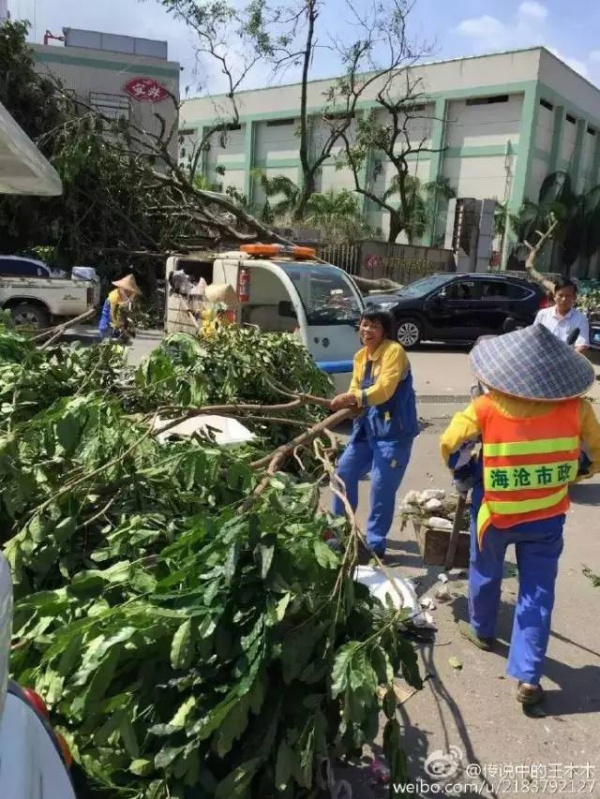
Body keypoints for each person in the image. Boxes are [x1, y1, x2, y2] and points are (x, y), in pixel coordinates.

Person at [440, 324, 600, 707]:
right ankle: (528, 677)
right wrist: (575, 471)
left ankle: (482, 630)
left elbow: (451, 445)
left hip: (495, 513)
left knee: (486, 572)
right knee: (537, 594)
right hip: (547, 515)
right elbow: (594, 455)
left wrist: (466, 473)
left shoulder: (486, 406)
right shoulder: (578, 409)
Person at [330, 310, 419, 560]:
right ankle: (339, 531)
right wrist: (348, 404)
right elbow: (355, 389)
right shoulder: (360, 357)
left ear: (385, 332)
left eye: (374, 327)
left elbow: (385, 390)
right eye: (365, 325)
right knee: (342, 474)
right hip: (367, 428)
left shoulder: (394, 352)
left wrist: (353, 398)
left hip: (393, 432)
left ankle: (375, 544)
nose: (367, 330)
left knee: (381, 487)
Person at [534, 276, 589, 353]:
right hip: (542, 358)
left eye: (568, 296)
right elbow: (534, 337)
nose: (564, 299)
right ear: (554, 296)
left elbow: (582, 345)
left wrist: (565, 358)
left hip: (565, 361)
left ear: (574, 297)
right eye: (560, 295)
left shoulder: (581, 319)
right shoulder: (543, 314)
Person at [99, 274, 140, 340]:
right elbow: (112, 314)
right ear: (122, 288)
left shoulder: (123, 295)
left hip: (115, 326)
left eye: (130, 291)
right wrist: (119, 325)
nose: (129, 293)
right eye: (128, 290)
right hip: (107, 326)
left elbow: (125, 307)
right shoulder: (114, 296)